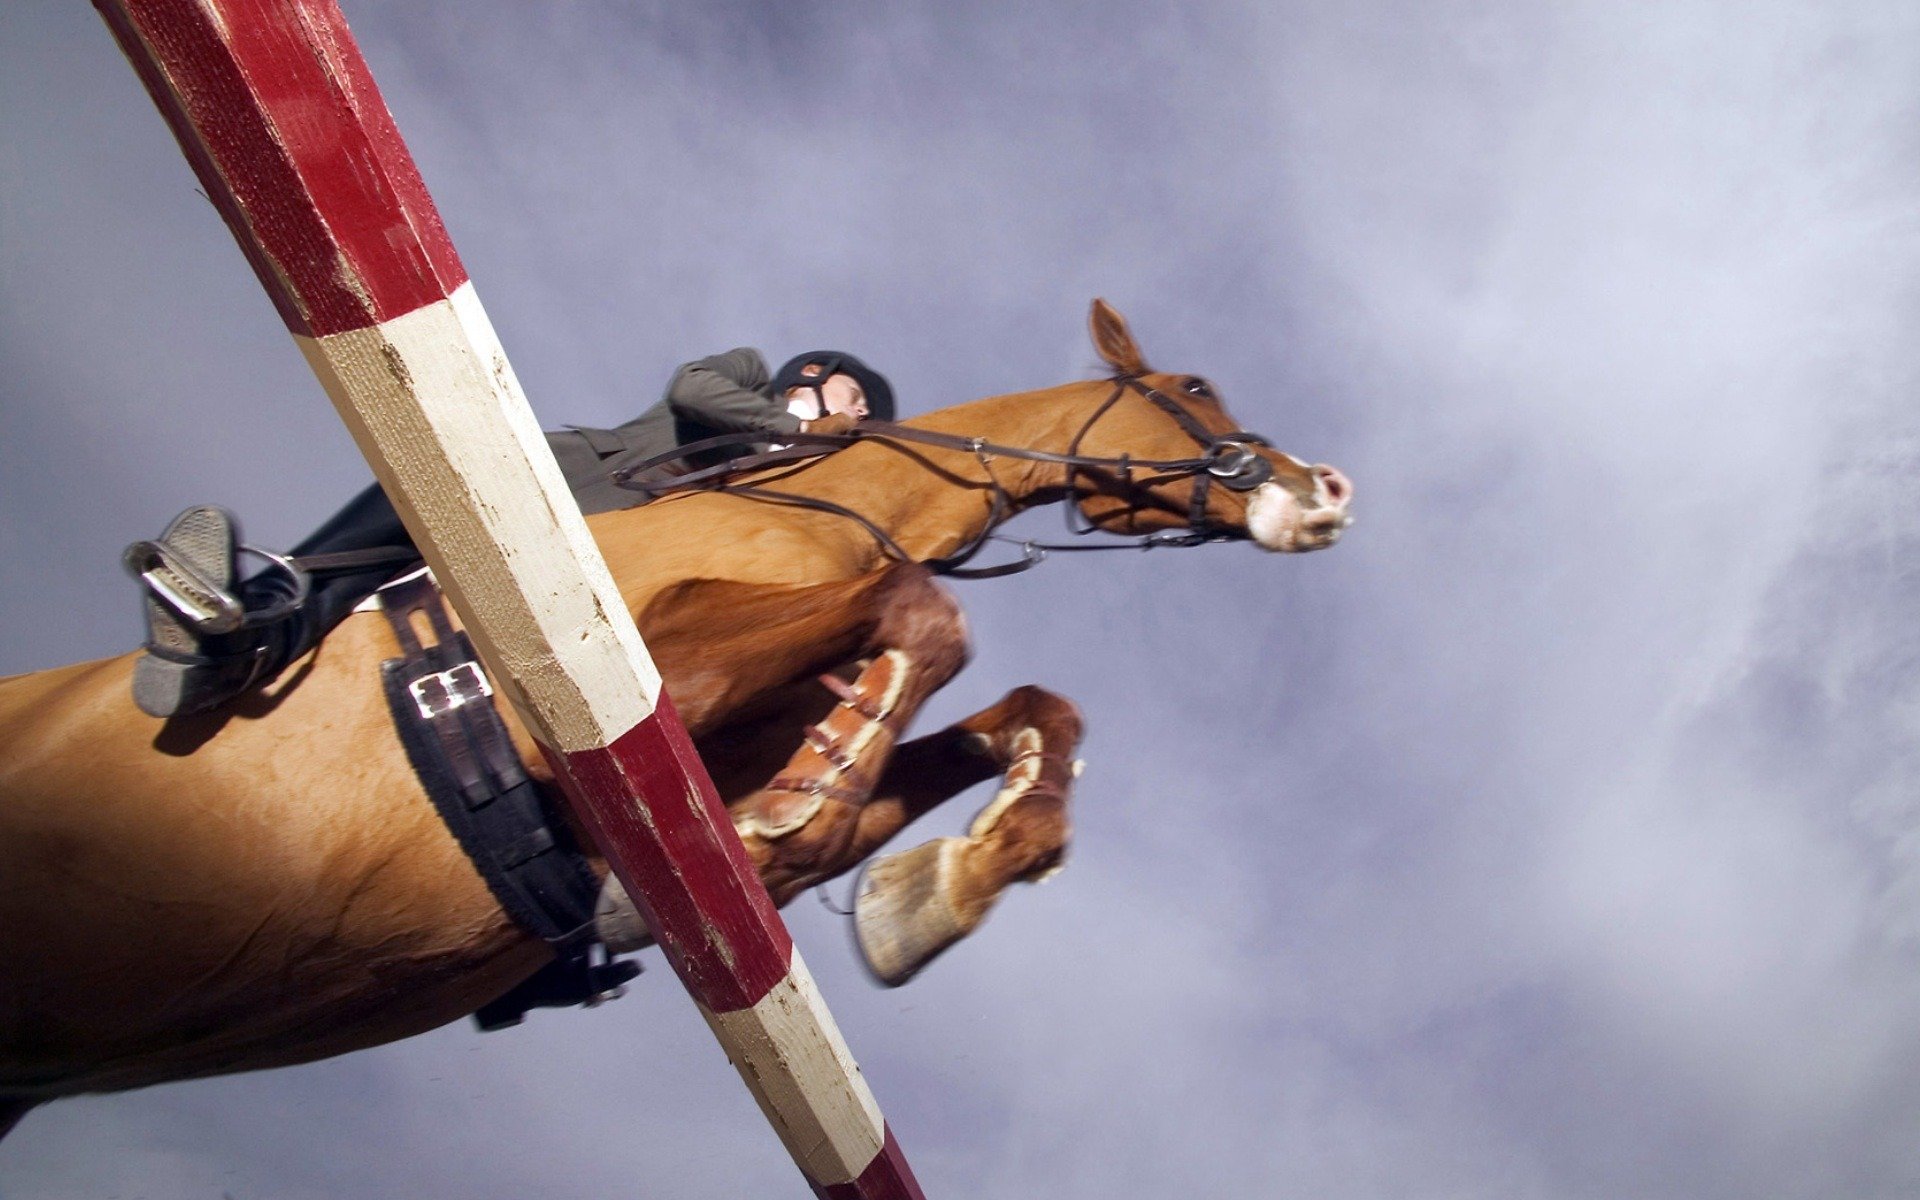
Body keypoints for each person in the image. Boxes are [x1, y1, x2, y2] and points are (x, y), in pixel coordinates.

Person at [124, 348, 894, 719]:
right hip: (563, 488)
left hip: (618, 578)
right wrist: (792, 430)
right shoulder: (751, 375)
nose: (859, 414)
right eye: (856, 396)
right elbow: (691, 387)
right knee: (415, 495)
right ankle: (252, 633)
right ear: (812, 374)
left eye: (865, 413)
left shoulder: (795, 489)